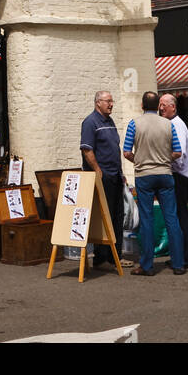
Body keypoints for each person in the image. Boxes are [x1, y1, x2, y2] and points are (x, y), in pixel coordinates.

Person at [123, 90, 185, 276]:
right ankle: (178, 264)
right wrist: (163, 159)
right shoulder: (168, 124)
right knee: (172, 219)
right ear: (158, 106)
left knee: (147, 219)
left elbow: (126, 152)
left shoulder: (134, 124)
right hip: (165, 174)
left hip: (144, 175)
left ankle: (147, 265)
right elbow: (178, 152)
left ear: (142, 106)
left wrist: (140, 160)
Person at [79, 89, 124, 268]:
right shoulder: (90, 122)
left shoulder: (110, 121)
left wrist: (121, 174)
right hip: (102, 177)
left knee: (117, 216)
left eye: (111, 101)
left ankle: (115, 256)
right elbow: (86, 149)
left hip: (115, 176)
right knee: (103, 216)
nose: (111, 104)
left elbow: (114, 148)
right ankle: (101, 256)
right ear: (98, 102)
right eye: (108, 101)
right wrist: (98, 170)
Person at [159, 92, 188, 268]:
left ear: (173, 107)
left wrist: (162, 161)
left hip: (178, 176)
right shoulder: (171, 124)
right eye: (159, 105)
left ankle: (186, 258)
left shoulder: (177, 125)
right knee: (178, 217)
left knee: (180, 217)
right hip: (176, 174)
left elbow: (179, 154)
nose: (160, 109)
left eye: (163, 105)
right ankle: (181, 256)